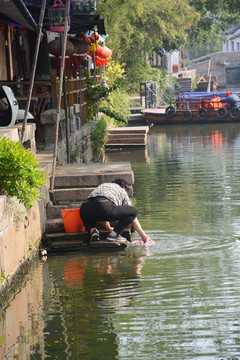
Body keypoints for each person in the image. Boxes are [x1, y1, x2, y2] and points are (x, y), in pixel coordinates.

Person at [80, 179, 151, 243]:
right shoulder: (121, 190)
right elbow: (131, 214)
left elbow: (100, 206)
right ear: (123, 187)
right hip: (104, 207)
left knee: (94, 212)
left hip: (84, 209)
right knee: (133, 211)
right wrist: (143, 236)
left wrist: (108, 228)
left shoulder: (104, 186)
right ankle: (114, 236)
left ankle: (93, 230)